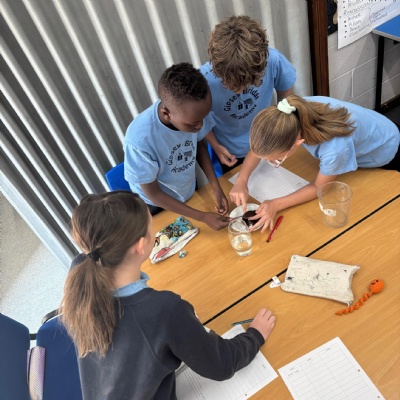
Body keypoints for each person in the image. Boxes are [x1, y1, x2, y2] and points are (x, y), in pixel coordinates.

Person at [60, 191, 276, 400]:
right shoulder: (164, 310)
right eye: (151, 227)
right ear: (141, 246)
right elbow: (222, 365)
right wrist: (255, 335)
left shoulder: (80, 269)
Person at [230, 95, 400, 232]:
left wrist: (275, 204)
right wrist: (241, 180)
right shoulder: (290, 112)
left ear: (297, 143)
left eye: (275, 159)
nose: (269, 161)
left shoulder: (333, 149)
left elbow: (319, 187)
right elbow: (259, 149)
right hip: (376, 125)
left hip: (386, 148)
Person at [124, 63, 229, 230]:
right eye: (194, 124)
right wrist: (202, 217)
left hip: (185, 190)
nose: (200, 126)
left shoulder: (193, 114)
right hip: (156, 205)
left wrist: (215, 187)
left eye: (203, 119)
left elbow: (199, 144)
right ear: (166, 114)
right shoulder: (140, 139)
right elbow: (154, 194)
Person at [200, 15, 296, 173]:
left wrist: (280, 131)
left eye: (245, 83)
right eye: (231, 83)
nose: (239, 91)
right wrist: (215, 146)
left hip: (266, 141)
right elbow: (200, 119)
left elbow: (286, 95)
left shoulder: (273, 60)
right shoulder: (203, 81)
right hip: (228, 150)